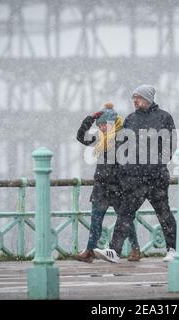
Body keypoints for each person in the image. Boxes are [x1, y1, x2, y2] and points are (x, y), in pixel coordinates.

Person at [93, 85, 177, 263]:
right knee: (125, 213)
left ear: (148, 99)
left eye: (138, 98)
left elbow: (170, 145)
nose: (135, 101)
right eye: (133, 98)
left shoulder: (164, 117)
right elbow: (121, 146)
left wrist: (157, 164)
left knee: (164, 213)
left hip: (157, 178)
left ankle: (172, 249)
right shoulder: (130, 119)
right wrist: (124, 169)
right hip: (134, 178)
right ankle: (114, 251)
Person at [73, 102, 141, 263]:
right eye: (100, 125)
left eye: (105, 124)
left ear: (113, 122)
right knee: (96, 220)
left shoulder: (124, 137)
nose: (102, 128)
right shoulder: (100, 138)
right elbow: (81, 137)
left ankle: (135, 249)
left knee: (124, 220)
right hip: (101, 186)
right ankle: (89, 250)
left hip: (119, 187)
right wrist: (90, 119)